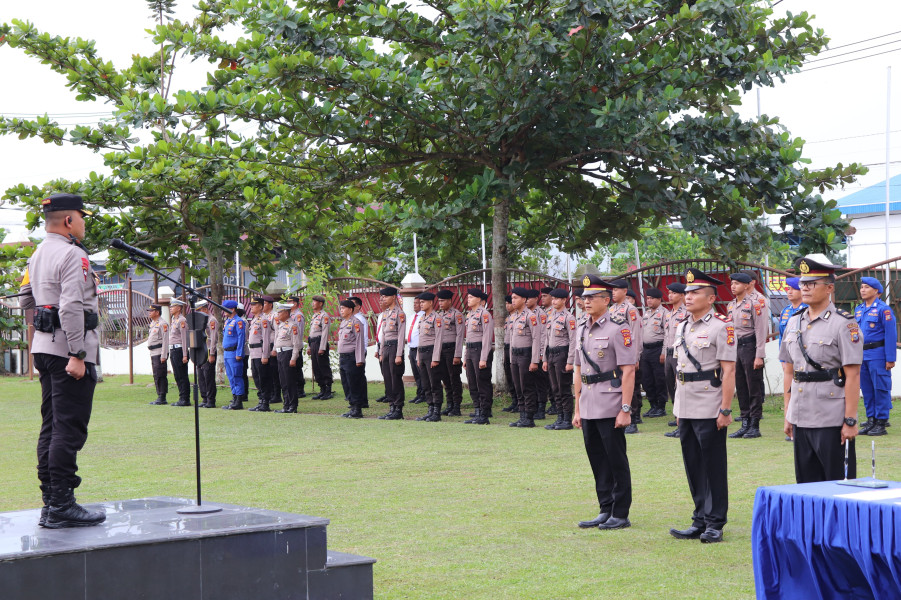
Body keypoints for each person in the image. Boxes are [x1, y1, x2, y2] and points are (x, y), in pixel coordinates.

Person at [19, 192, 105, 528]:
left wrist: (45, 321)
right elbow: (71, 307)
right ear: (69, 220)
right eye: (82, 217)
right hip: (68, 351)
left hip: (43, 348)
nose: (83, 223)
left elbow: (26, 297)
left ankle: (50, 502)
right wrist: (77, 353)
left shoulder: (38, 252)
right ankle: (61, 505)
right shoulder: (72, 255)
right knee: (68, 430)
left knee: (52, 427)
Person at [781, 255, 862, 483]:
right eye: (802, 283)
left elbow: (853, 375)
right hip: (800, 414)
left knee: (837, 484)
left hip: (831, 417)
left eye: (811, 284)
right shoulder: (793, 321)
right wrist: (788, 414)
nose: (804, 288)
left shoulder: (844, 324)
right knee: (806, 484)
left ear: (828, 288)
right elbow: (789, 371)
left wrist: (850, 420)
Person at [669, 268, 736, 544]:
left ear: (710, 298)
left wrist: (725, 409)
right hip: (685, 403)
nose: (688, 296)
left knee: (713, 465)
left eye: (695, 292)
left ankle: (715, 522)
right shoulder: (682, 326)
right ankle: (699, 518)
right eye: (687, 292)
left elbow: (729, 370)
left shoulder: (722, 326)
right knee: (693, 464)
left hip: (709, 403)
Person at [573, 275, 637, 531]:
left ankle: (620, 512)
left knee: (615, 459)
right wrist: (576, 408)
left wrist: (625, 408)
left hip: (610, 402)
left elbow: (628, 371)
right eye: (584, 297)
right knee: (597, 458)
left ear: (606, 300)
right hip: (588, 401)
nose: (586, 301)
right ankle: (605, 508)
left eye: (592, 297)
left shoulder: (618, 328)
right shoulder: (581, 327)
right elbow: (578, 370)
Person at [726, 272, 768, 439]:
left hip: (750, 346)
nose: (733, 286)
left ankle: (755, 425)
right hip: (736, 348)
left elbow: (760, 330)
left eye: (736, 283)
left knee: (753, 386)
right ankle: (745, 422)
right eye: (732, 284)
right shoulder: (731, 305)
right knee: (741, 386)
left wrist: (759, 355)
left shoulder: (755, 304)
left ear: (746, 285)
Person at [854, 276, 896, 436]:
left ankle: (881, 422)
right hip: (862, 354)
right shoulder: (859, 309)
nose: (862, 289)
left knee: (880, 388)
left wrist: (890, 358)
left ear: (876, 291)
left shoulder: (883, 310)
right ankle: (871, 419)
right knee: (867, 388)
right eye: (862, 287)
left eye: (866, 287)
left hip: (878, 354)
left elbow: (891, 335)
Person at [609, 279, 642, 434]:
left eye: (616, 290)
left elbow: (635, 334)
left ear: (624, 291)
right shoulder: (611, 309)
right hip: (615, 354)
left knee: (631, 386)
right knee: (618, 385)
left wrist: (635, 357)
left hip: (628, 353)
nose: (613, 293)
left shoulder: (631, 310)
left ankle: (634, 419)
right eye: (612, 290)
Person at [509, 287, 543, 428]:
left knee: (527, 386)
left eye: (516, 298)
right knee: (518, 387)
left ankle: (529, 417)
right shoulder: (514, 316)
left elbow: (537, 338)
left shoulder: (531, 316)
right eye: (512, 298)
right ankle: (522, 415)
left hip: (526, 354)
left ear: (524, 299)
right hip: (515, 355)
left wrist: (535, 360)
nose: (513, 300)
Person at [778, 277, 807, 441]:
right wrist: (783, 360)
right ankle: (791, 424)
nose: (789, 291)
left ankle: (801, 426)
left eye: (793, 288)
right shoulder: (786, 311)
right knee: (789, 394)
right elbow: (783, 338)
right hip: (789, 360)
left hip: (803, 361)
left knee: (802, 393)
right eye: (787, 288)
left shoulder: (807, 310)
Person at [543, 288, 576, 430]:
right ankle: (559, 417)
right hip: (551, 354)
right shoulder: (550, 316)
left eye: (557, 299)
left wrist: (570, 361)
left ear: (564, 300)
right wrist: (544, 358)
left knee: (564, 388)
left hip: (563, 354)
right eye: (553, 298)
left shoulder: (569, 317)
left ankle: (567, 419)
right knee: (555, 388)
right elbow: (546, 338)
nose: (554, 301)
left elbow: (574, 340)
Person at [463, 288, 494, 424]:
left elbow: (487, 338)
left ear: (479, 300)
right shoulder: (470, 315)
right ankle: (477, 410)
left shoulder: (485, 314)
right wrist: (465, 357)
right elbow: (468, 338)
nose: (468, 299)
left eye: (471, 297)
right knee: (472, 382)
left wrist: (483, 358)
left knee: (482, 382)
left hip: (480, 350)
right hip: (470, 351)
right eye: (468, 297)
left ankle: (485, 413)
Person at [416, 292, 449, 422]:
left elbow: (439, 339)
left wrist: (435, 358)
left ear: (430, 303)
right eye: (420, 302)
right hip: (422, 353)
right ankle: (430, 408)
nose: (420, 304)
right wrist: (418, 357)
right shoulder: (422, 318)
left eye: (423, 302)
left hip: (431, 353)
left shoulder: (437, 318)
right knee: (425, 383)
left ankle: (437, 411)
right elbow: (420, 339)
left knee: (434, 382)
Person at [375, 286, 407, 420]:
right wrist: (381, 352)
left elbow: (400, 335)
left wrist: (399, 354)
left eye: (386, 296)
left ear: (393, 297)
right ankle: (391, 406)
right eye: (382, 297)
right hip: (386, 348)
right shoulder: (385, 314)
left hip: (394, 348)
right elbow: (383, 334)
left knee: (395, 379)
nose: (383, 299)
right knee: (387, 378)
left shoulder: (400, 313)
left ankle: (398, 409)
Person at [663, 282, 689, 438]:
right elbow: (666, 336)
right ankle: (677, 415)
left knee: (680, 386)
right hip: (668, 353)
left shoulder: (685, 312)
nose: (670, 295)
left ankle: (683, 422)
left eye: (673, 293)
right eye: (669, 293)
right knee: (670, 386)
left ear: (681, 295)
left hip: (679, 353)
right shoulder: (669, 314)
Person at [640, 288, 668, 418]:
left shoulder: (664, 314)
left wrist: (664, 352)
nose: (649, 300)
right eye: (648, 298)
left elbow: (667, 335)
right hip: (646, 350)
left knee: (659, 379)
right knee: (646, 379)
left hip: (658, 349)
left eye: (652, 298)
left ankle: (661, 407)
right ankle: (653, 405)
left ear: (659, 300)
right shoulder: (646, 314)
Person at [436, 289, 465, 416]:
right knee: (445, 379)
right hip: (441, 350)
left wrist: (457, 354)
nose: (440, 303)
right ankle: (449, 404)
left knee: (454, 378)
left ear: (449, 301)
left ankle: (456, 406)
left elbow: (459, 336)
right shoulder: (439, 315)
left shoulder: (457, 315)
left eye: (442, 301)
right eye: (439, 301)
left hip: (452, 349)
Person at [337, 299, 367, 418]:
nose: (341, 311)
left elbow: (359, 342)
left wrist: (359, 359)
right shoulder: (343, 323)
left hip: (352, 358)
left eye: (343, 308)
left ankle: (357, 409)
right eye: (340, 308)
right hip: (343, 357)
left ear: (350, 309)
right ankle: (352, 406)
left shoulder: (356, 322)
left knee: (354, 383)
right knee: (346, 383)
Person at [274, 302, 303, 414]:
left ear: (286, 313)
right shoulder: (281, 325)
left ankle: (292, 405)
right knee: (283, 381)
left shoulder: (293, 325)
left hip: (288, 354)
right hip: (280, 354)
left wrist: (293, 358)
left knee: (290, 381)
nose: (278, 314)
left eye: (280, 312)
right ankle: (286, 405)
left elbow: (297, 344)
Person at [527, 288, 551, 419]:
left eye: (529, 299)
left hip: (538, 352)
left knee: (540, 382)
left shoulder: (540, 314)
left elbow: (543, 335)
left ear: (536, 299)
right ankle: (534, 406)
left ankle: (541, 408)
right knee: (531, 382)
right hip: (528, 352)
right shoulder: (525, 313)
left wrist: (541, 353)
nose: (527, 301)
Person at [247, 297, 273, 412]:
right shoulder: (254, 320)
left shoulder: (264, 320)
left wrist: (265, 355)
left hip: (260, 352)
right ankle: (260, 400)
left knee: (263, 378)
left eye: (254, 305)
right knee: (257, 378)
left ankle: (265, 402)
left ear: (261, 307)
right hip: (253, 353)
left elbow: (266, 339)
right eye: (251, 304)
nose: (251, 306)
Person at [221, 299, 247, 410]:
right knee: (231, 377)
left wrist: (239, 353)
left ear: (232, 309)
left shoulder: (238, 321)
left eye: (225, 309)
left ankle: (239, 401)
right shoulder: (227, 321)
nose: (223, 311)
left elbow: (241, 338)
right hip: (227, 352)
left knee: (237, 376)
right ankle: (234, 398)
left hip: (234, 352)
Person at [308, 294, 334, 400]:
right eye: (313, 301)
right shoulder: (314, 316)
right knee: (316, 367)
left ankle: (328, 390)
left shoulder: (324, 316)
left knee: (323, 366)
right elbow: (311, 333)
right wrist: (309, 346)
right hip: (313, 343)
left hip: (320, 343)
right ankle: (322, 389)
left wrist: (322, 347)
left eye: (315, 302)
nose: (313, 304)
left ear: (320, 304)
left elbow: (324, 333)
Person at [195, 299, 218, 408]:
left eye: (199, 310)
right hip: (201, 351)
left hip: (208, 350)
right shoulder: (200, 320)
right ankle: (204, 398)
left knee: (208, 376)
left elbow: (213, 338)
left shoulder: (211, 320)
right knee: (201, 376)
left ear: (205, 309)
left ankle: (211, 400)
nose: (198, 312)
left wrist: (212, 353)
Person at [167, 298, 191, 406]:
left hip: (179, 350)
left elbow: (184, 338)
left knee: (182, 375)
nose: (171, 308)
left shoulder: (182, 321)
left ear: (179, 308)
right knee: (177, 375)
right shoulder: (174, 320)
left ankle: (185, 398)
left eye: (173, 306)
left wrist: (185, 354)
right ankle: (181, 397)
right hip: (173, 349)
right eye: (171, 306)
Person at [348, 296, 370, 408]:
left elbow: (362, 338)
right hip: (354, 352)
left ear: (358, 307)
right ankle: (358, 400)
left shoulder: (359, 319)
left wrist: (361, 352)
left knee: (358, 376)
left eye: (351, 304)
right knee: (355, 377)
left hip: (358, 351)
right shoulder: (350, 319)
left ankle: (361, 401)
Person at [147, 303, 170, 405]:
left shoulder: (162, 323)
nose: (149, 313)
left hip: (159, 352)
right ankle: (159, 395)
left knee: (160, 374)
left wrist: (164, 355)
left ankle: (162, 396)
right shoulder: (153, 323)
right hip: (153, 352)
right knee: (156, 374)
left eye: (151, 311)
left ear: (157, 312)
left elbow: (165, 340)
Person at [501, 294, 519, 413]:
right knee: (509, 375)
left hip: (516, 349)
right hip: (507, 348)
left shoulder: (518, 317)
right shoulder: (508, 318)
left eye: (509, 303)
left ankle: (520, 401)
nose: (508, 305)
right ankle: (514, 400)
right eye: (506, 303)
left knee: (517, 377)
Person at [288, 294, 308, 398]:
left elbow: (299, 332)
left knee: (297, 367)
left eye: (289, 302)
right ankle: (295, 388)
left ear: (295, 303)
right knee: (292, 368)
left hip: (296, 345)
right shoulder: (290, 315)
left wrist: (296, 345)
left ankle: (300, 390)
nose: (287, 304)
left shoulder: (298, 316)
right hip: (290, 345)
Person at [407, 296, 425, 403]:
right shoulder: (412, 317)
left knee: (422, 373)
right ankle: (419, 394)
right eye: (414, 303)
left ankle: (424, 394)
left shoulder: (424, 317)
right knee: (416, 374)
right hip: (412, 348)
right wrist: (409, 346)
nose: (415, 305)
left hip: (420, 349)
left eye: (417, 303)